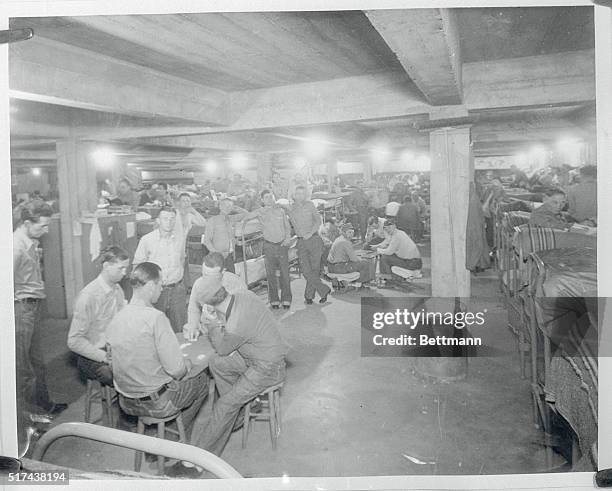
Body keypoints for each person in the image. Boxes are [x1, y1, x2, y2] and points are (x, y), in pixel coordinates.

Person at [107, 262, 209, 477]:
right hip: (157, 402)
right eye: (160, 284)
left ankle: (156, 443)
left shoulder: (117, 316)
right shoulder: (155, 318)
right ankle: (175, 448)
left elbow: (112, 358)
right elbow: (177, 370)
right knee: (200, 381)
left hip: (126, 401)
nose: (162, 289)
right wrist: (188, 365)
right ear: (151, 285)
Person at [191, 279, 288, 460]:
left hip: (268, 367)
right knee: (216, 363)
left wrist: (211, 325)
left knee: (224, 404)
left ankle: (199, 460)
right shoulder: (245, 295)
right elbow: (224, 349)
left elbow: (223, 348)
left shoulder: (236, 323)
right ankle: (237, 410)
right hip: (257, 356)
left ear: (207, 306)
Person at [14, 202, 67, 430]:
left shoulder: (30, 242)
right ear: (27, 223)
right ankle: (26, 423)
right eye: (43, 226)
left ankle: (43, 407)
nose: (46, 230)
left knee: (37, 364)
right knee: (24, 369)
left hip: (31, 308)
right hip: (20, 310)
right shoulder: (14, 248)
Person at [67, 246, 130, 386]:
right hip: (92, 355)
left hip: (113, 347)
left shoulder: (117, 289)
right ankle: (132, 404)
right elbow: (74, 341)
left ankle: (136, 402)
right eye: (121, 268)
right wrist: (104, 357)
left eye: (126, 268)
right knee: (119, 374)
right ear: (106, 266)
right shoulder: (88, 296)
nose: (125, 273)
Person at [133, 206, 187, 332]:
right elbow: (137, 266)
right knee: (155, 328)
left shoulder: (180, 239)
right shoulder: (147, 240)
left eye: (172, 219)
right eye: (165, 218)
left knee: (179, 326)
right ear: (158, 220)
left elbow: (182, 260)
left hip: (177, 290)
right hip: (156, 291)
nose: (169, 222)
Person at [243, 190, 293, 309]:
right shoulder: (260, 212)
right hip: (269, 246)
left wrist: (287, 239)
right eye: (266, 197)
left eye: (271, 197)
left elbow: (287, 227)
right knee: (270, 274)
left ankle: (286, 299)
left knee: (285, 274)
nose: (269, 199)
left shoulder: (280, 211)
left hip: (282, 245)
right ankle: (274, 300)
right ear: (262, 200)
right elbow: (247, 217)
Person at [184, 252, 247, 340]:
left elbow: (244, 316)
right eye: (204, 274)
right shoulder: (199, 284)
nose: (207, 280)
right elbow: (193, 308)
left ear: (223, 271)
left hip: (233, 333)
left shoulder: (236, 285)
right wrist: (193, 326)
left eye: (211, 277)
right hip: (208, 332)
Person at [287, 186, 331, 305]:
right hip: (301, 242)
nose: (299, 196)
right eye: (297, 193)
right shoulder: (290, 209)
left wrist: (310, 233)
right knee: (306, 270)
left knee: (314, 270)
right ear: (294, 195)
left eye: (302, 193)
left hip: (314, 240)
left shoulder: (310, 205)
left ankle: (309, 296)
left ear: (305, 195)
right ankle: (324, 289)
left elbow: (318, 221)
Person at [202, 198, 248, 273]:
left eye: (230, 206)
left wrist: (237, 208)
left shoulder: (231, 219)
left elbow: (247, 214)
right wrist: (217, 254)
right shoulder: (212, 220)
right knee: (217, 280)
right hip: (216, 257)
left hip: (229, 256)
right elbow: (207, 241)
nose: (227, 208)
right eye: (225, 205)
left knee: (231, 279)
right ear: (220, 206)